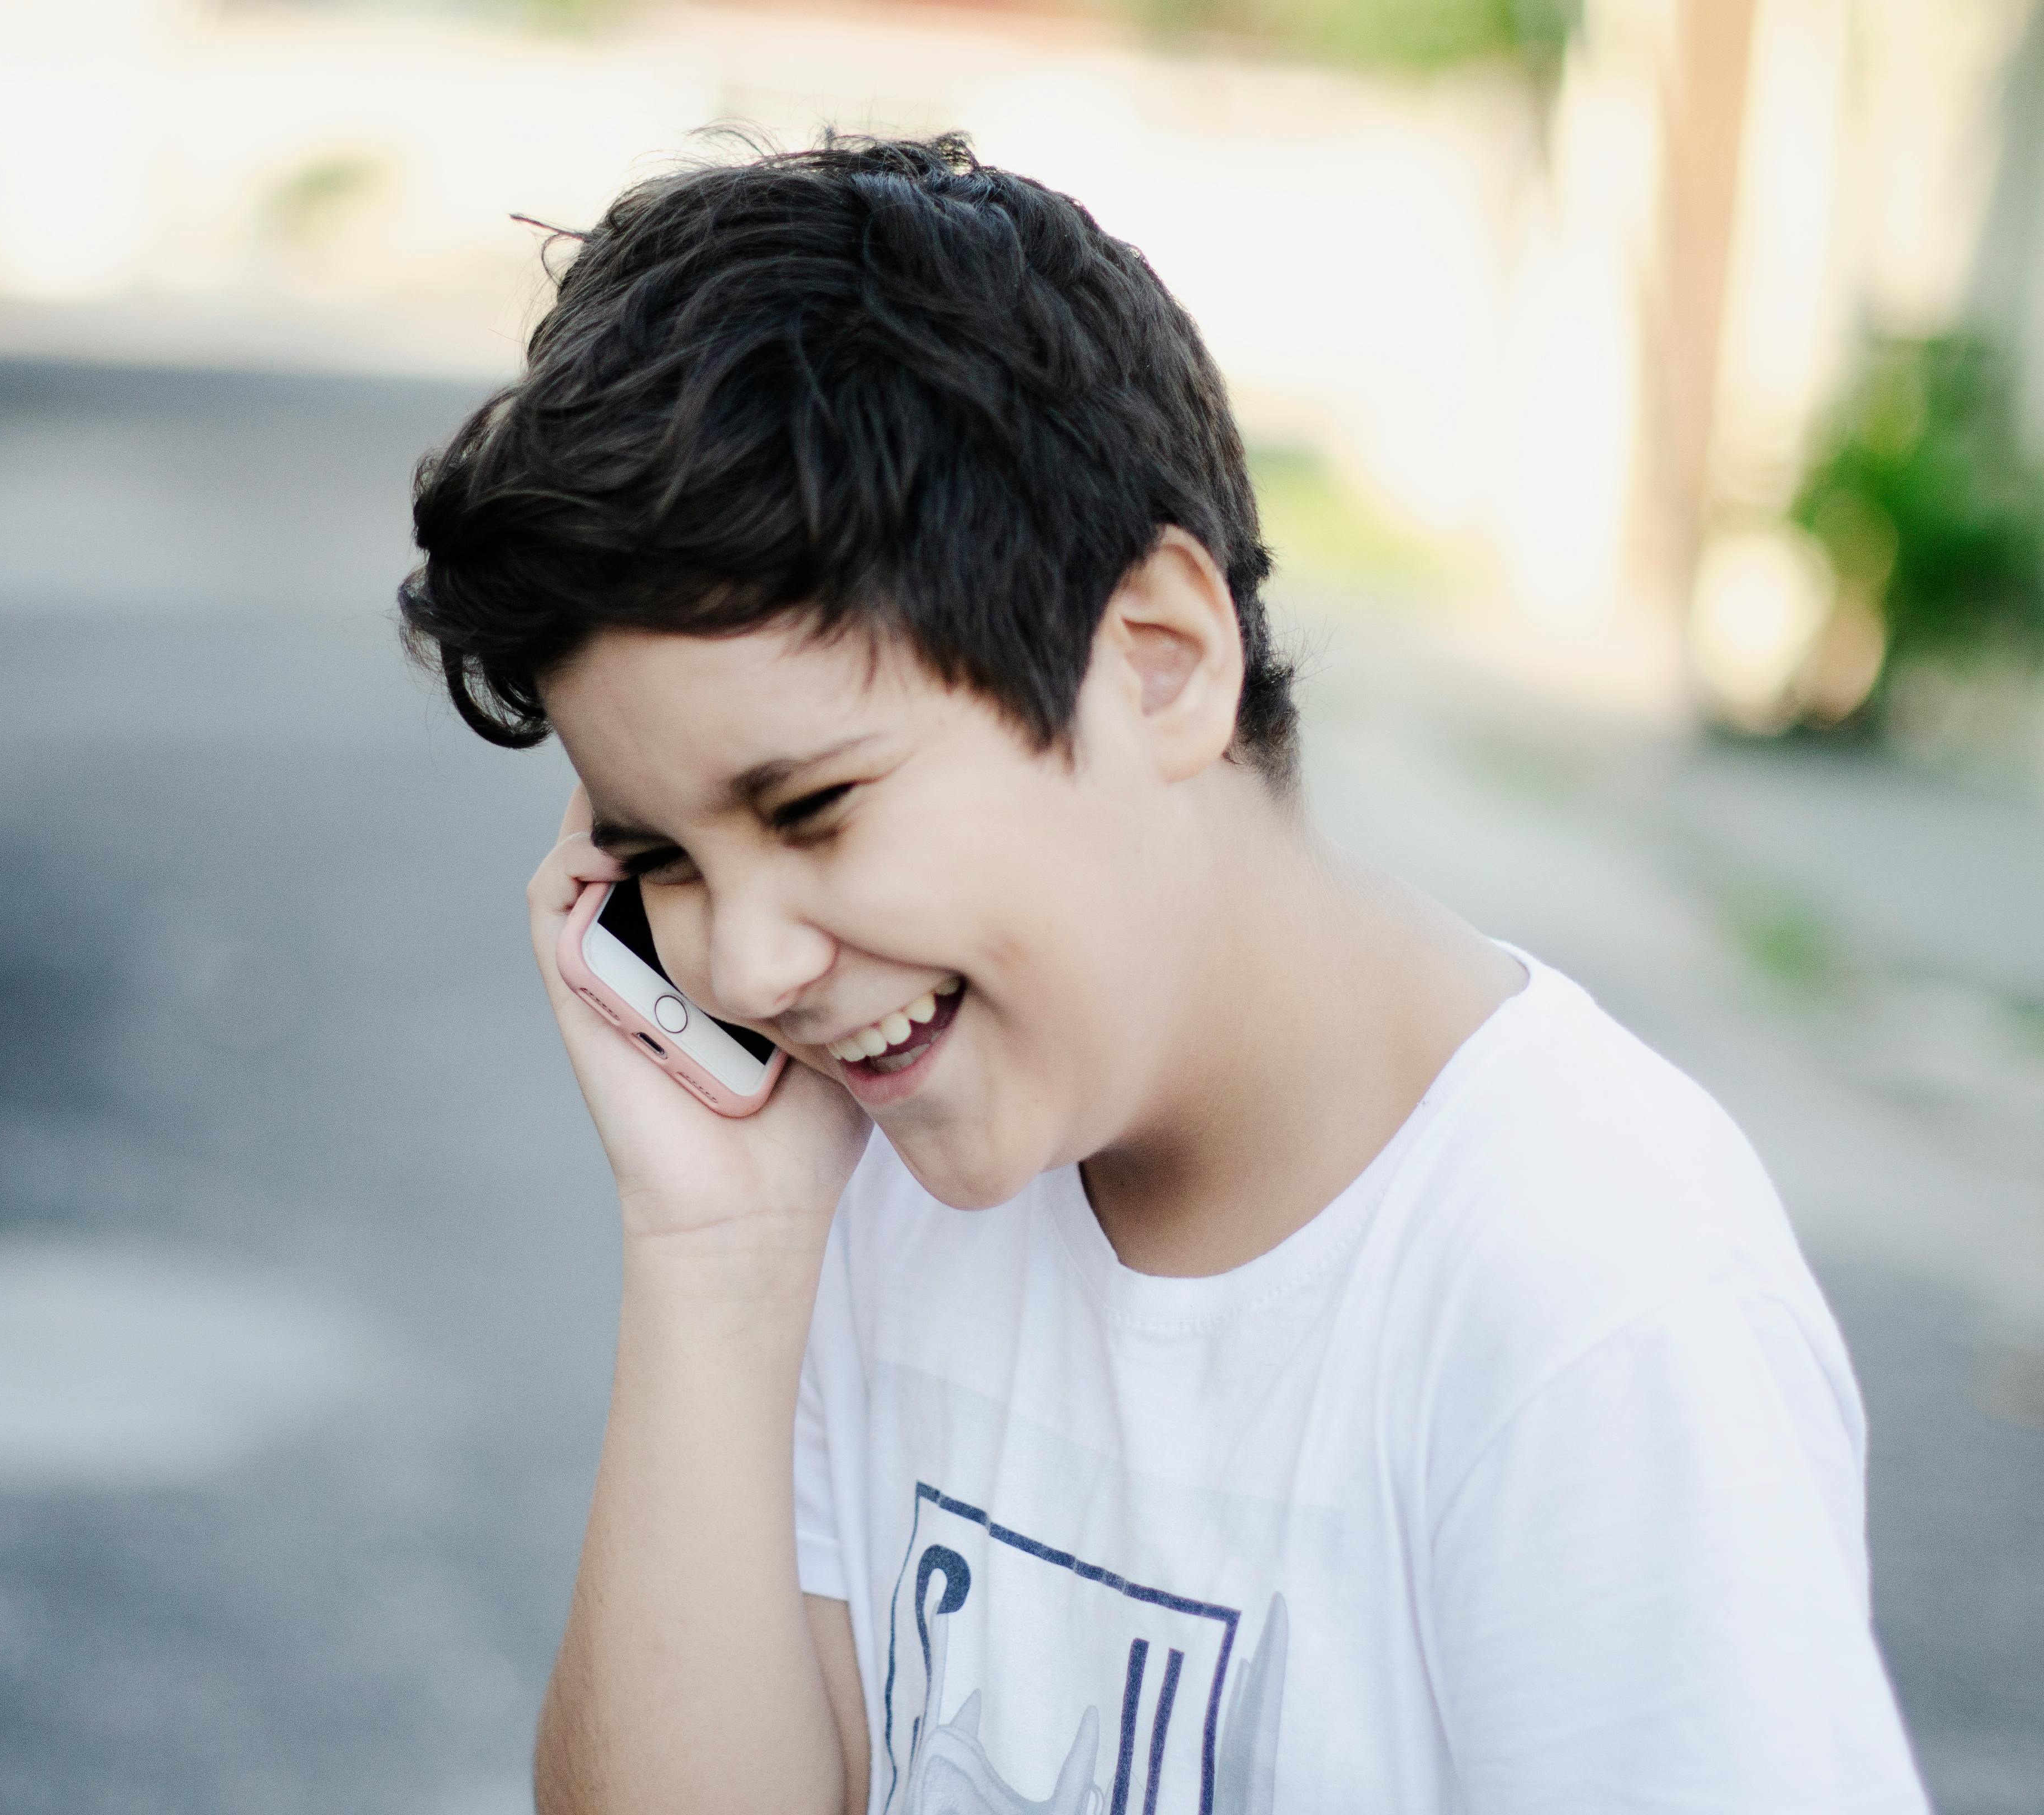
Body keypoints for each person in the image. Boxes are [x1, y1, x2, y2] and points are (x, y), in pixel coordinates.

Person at [396, 136, 1927, 1815]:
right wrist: (718, 1255)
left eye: (814, 808)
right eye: (667, 862)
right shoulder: (871, 1171)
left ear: (1160, 664)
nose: (750, 961)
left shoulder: (1584, 1287)